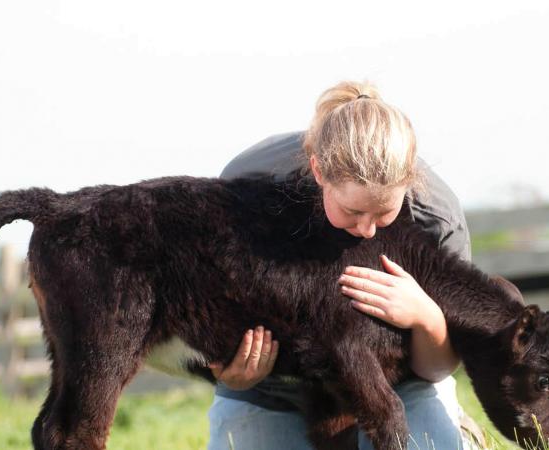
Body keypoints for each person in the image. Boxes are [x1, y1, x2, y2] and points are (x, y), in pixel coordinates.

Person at [207, 81, 483, 450]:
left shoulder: (436, 218)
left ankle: (456, 433)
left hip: (399, 388)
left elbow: (438, 368)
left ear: (409, 180)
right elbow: (208, 313)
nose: (367, 229)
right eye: (353, 211)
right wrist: (231, 372)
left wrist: (425, 316)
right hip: (275, 391)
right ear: (319, 172)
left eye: (384, 212)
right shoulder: (246, 189)